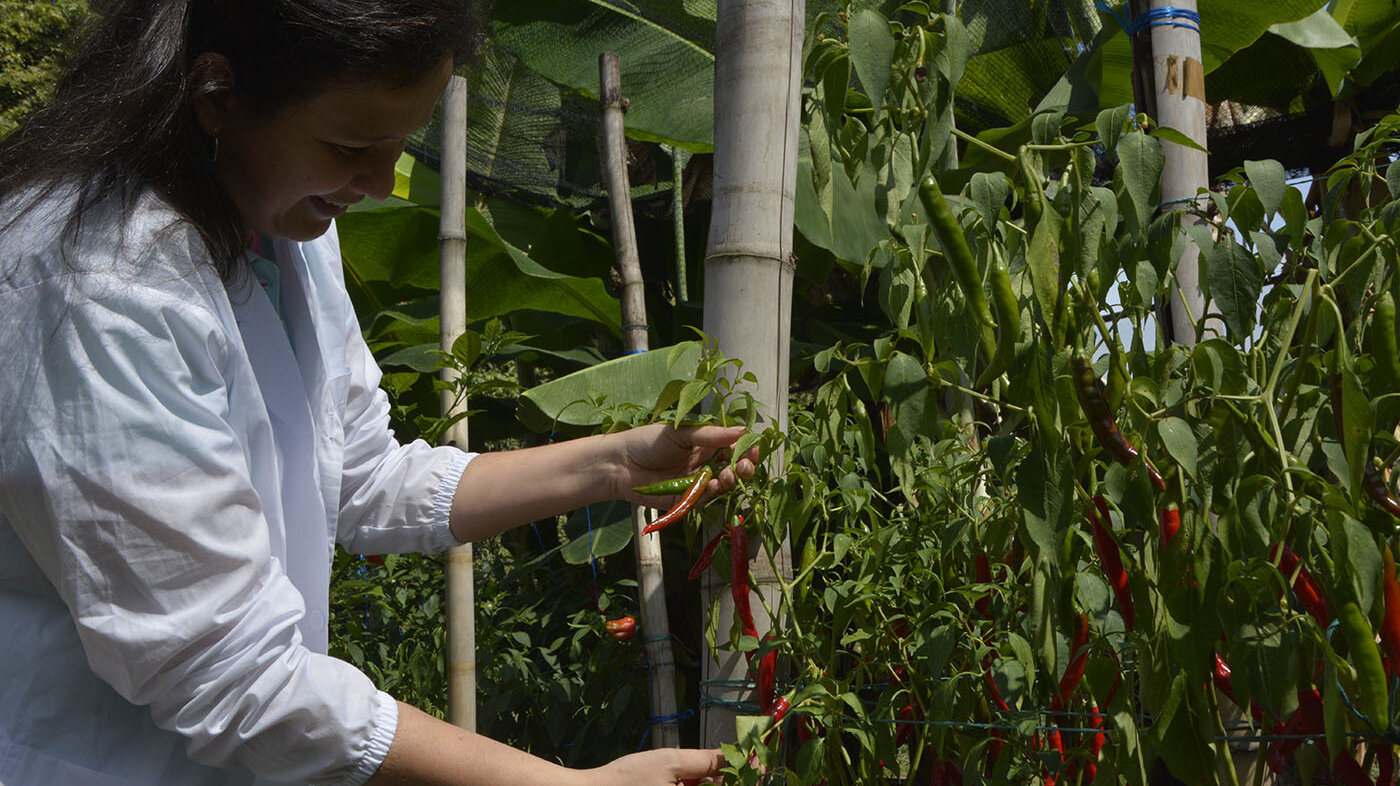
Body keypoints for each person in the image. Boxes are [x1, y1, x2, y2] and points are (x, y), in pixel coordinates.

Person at [0, 1, 753, 785]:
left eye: (400, 144)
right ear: (216, 92)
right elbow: (230, 675)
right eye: (353, 146)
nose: (384, 184)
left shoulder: (279, 225)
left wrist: (618, 465)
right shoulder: (94, 290)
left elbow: (359, 476)